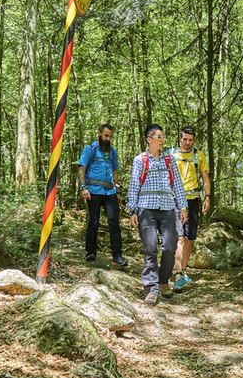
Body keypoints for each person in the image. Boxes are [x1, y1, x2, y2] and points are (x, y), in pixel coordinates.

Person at [127, 124, 188, 306]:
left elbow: (177, 184)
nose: (162, 140)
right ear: (149, 139)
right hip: (146, 209)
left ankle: (163, 281)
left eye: (163, 137)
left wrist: (182, 206)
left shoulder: (169, 160)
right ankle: (151, 288)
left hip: (168, 208)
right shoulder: (140, 160)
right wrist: (132, 210)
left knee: (170, 246)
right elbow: (134, 186)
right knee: (150, 248)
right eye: (159, 137)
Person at [78, 123, 126, 267]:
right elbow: (81, 169)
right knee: (94, 221)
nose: (108, 138)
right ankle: (90, 252)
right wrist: (83, 187)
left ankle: (117, 256)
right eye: (106, 135)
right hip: (93, 191)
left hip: (110, 192)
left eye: (110, 136)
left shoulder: (112, 151)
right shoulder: (89, 149)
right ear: (99, 134)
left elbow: (115, 171)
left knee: (114, 223)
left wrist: (117, 190)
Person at [169, 127, 211, 292]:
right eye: (185, 139)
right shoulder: (171, 154)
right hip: (174, 200)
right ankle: (178, 273)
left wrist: (207, 196)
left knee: (189, 238)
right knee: (178, 236)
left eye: (190, 140)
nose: (187, 143)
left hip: (193, 200)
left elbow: (205, 177)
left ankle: (184, 270)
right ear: (180, 138)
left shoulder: (198, 155)